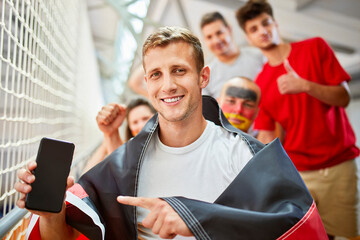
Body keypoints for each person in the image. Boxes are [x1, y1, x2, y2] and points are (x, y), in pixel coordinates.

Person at [15, 26, 327, 239]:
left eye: (179, 70)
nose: (168, 85)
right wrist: (51, 212)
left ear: (203, 77)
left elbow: (298, 227)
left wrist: (194, 218)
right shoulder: (119, 168)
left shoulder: (246, 155)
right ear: (147, 84)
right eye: (156, 75)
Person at [236, 1, 360, 239]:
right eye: (253, 29)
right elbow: (273, 140)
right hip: (298, 175)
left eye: (265, 23)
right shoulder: (261, 84)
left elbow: (343, 97)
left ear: (275, 24)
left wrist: (304, 85)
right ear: (248, 38)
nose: (262, 31)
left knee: (347, 236)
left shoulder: (315, 47)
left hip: (338, 166)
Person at [200, 11, 264, 99]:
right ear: (204, 40)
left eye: (219, 33)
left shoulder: (260, 56)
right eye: (209, 37)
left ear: (229, 30)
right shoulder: (206, 76)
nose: (216, 41)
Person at [83, 98, 156, 173]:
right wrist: (109, 134)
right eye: (135, 122)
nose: (141, 125)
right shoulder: (129, 153)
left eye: (145, 118)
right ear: (131, 130)